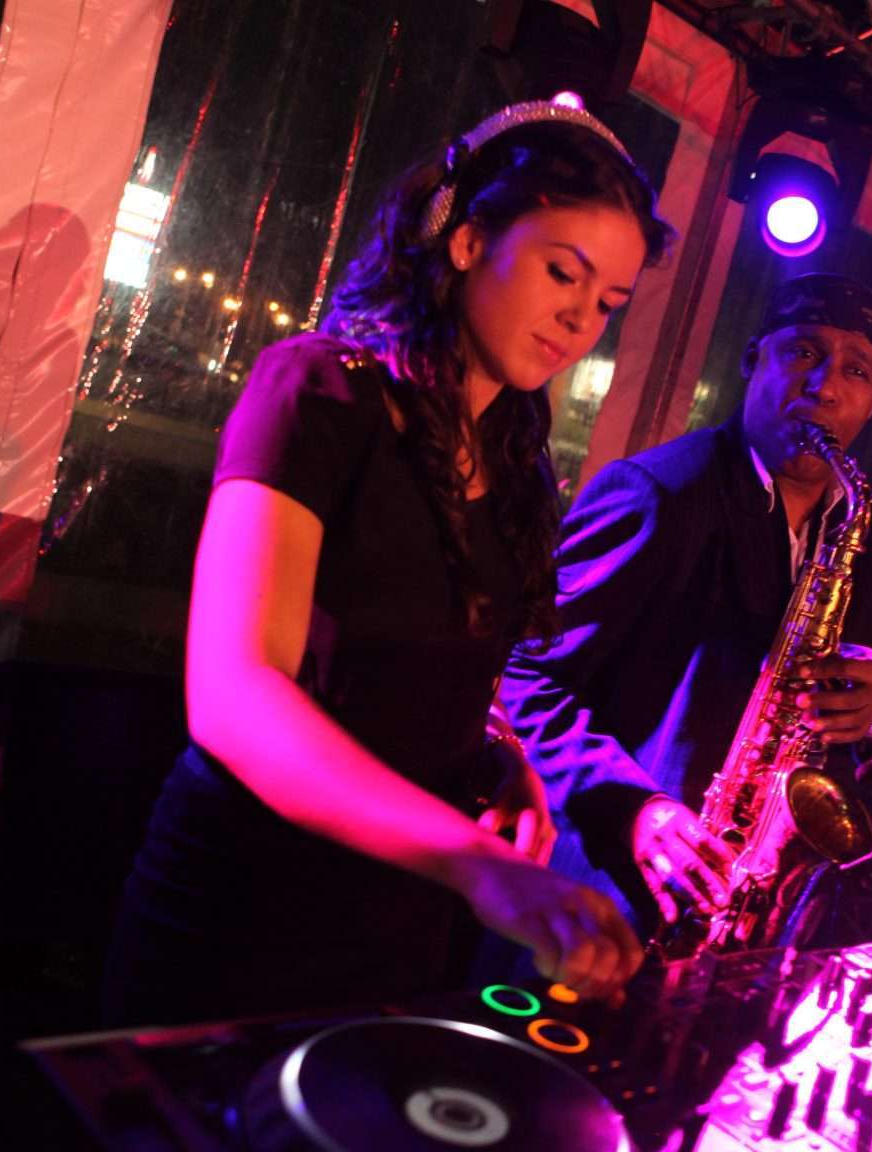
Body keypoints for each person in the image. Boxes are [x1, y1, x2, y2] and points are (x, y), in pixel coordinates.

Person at [102, 101, 674, 1025]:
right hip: (244, 916)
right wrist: (479, 863)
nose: (580, 319)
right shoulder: (317, 389)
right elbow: (235, 694)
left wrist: (497, 752)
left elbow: (423, 667)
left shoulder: (516, 461)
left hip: (401, 928)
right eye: (563, 272)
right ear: (467, 239)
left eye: (608, 303)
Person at [499, 273, 872, 937]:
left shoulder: (869, 532)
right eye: (805, 352)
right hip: (612, 897)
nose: (826, 388)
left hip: (752, 915)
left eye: (856, 370)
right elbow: (524, 674)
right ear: (753, 358)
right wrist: (633, 807)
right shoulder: (658, 493)